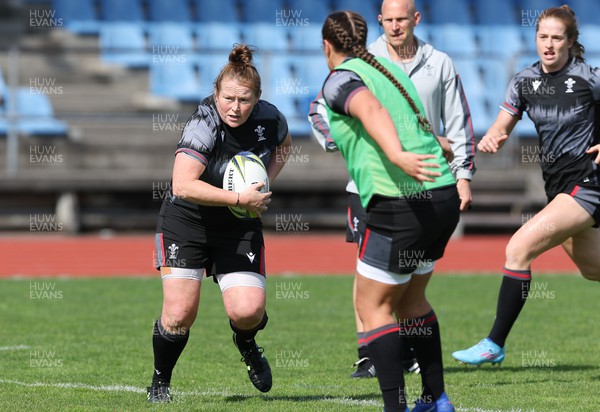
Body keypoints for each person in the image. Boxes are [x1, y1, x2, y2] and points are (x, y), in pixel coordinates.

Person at [309, 0, 475, 380]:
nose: (397, 25)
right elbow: (324, 113)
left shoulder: (353, 74)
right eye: (391, 19)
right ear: (378, 24)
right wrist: (345, 137)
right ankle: (432, 395)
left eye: (404, 18)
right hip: (432, 187)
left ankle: (390, 383)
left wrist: (400, 154)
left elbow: (374, 112)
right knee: (409, 299)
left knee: (375, 302)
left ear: (326, 46)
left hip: (395, 191)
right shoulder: (386, 69)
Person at [452, 5, 600, 366]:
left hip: (589, 182)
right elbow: (502, 126)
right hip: (558, 187)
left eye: (557, 38)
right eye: (543, 37)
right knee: (592, 268)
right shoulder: (523, 81)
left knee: (519, 248)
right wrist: (493, 138)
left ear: (570, 42)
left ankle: (494, 343)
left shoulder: (589, 77)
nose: (548, 45)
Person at [147, 44, 292, 403]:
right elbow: (182, 185)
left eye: (244, 100)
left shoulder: (270, 119)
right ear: (216, 93)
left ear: (257, 99)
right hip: (187, 221)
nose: (235, 107)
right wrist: (241, 199)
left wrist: (265, 180)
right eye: (228, 98)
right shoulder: (204, 122)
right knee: (180, 314)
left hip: (237, 226)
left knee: (247, 311)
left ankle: (246, 342)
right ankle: (160, 381)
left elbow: (284, 146)